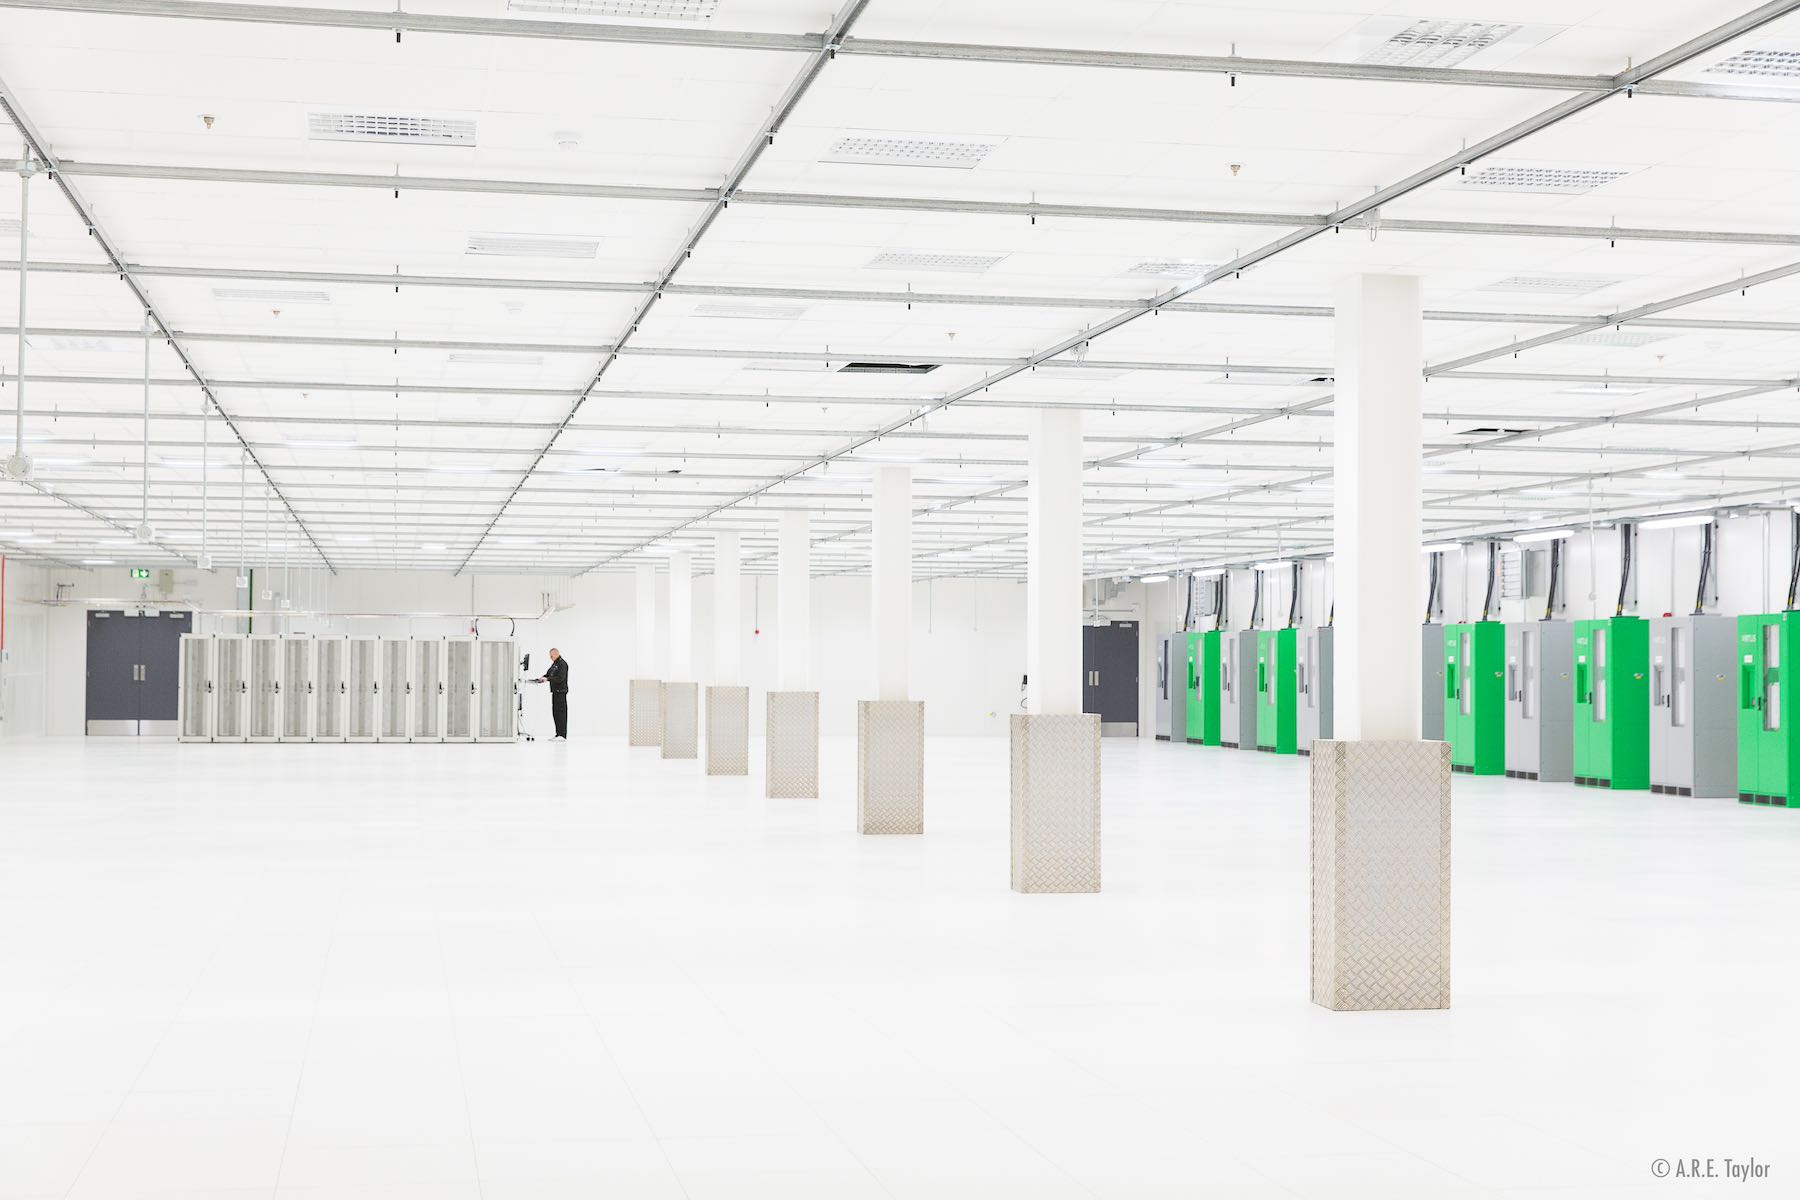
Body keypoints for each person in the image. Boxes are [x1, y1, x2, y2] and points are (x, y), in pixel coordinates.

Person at [533, 648, 569, 740]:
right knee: (555, 713)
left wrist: (548, 679)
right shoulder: (555, 664)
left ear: (556, 654)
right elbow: (549, 674)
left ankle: (562, 735)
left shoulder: (562, 664)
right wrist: (542, 678)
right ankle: (558, 734)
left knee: (561, 713)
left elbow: (560, 678)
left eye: (551, 656)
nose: (550, 657)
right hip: (555, 692)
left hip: (561, 692)